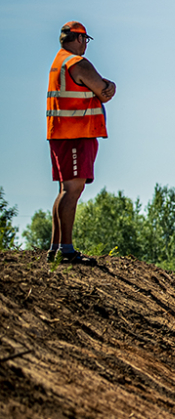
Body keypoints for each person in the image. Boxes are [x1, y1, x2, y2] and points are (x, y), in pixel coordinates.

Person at [46, 21, 116, 265]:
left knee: (64, 190)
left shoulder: (59, 63)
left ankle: (56, 247)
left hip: (60, 133)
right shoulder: (78, 63)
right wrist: (110, 85)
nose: (86, 44)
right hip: (76, 134)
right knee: (72, 190)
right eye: (85, 39)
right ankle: (66, 251)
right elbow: (103, 91)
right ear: (78, 38)